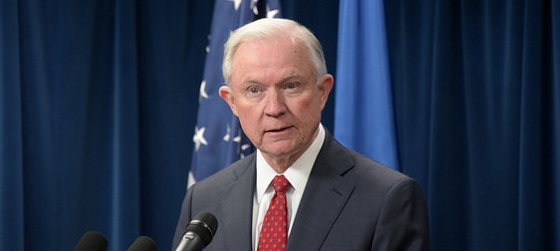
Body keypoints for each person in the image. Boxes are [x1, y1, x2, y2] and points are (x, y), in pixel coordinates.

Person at [173, 18, 429, 251]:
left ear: (323, 91)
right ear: (232, 103)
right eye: (254, 90)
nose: (274, 108)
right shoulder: (204, 199)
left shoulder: (388, 198)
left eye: (291, 86)